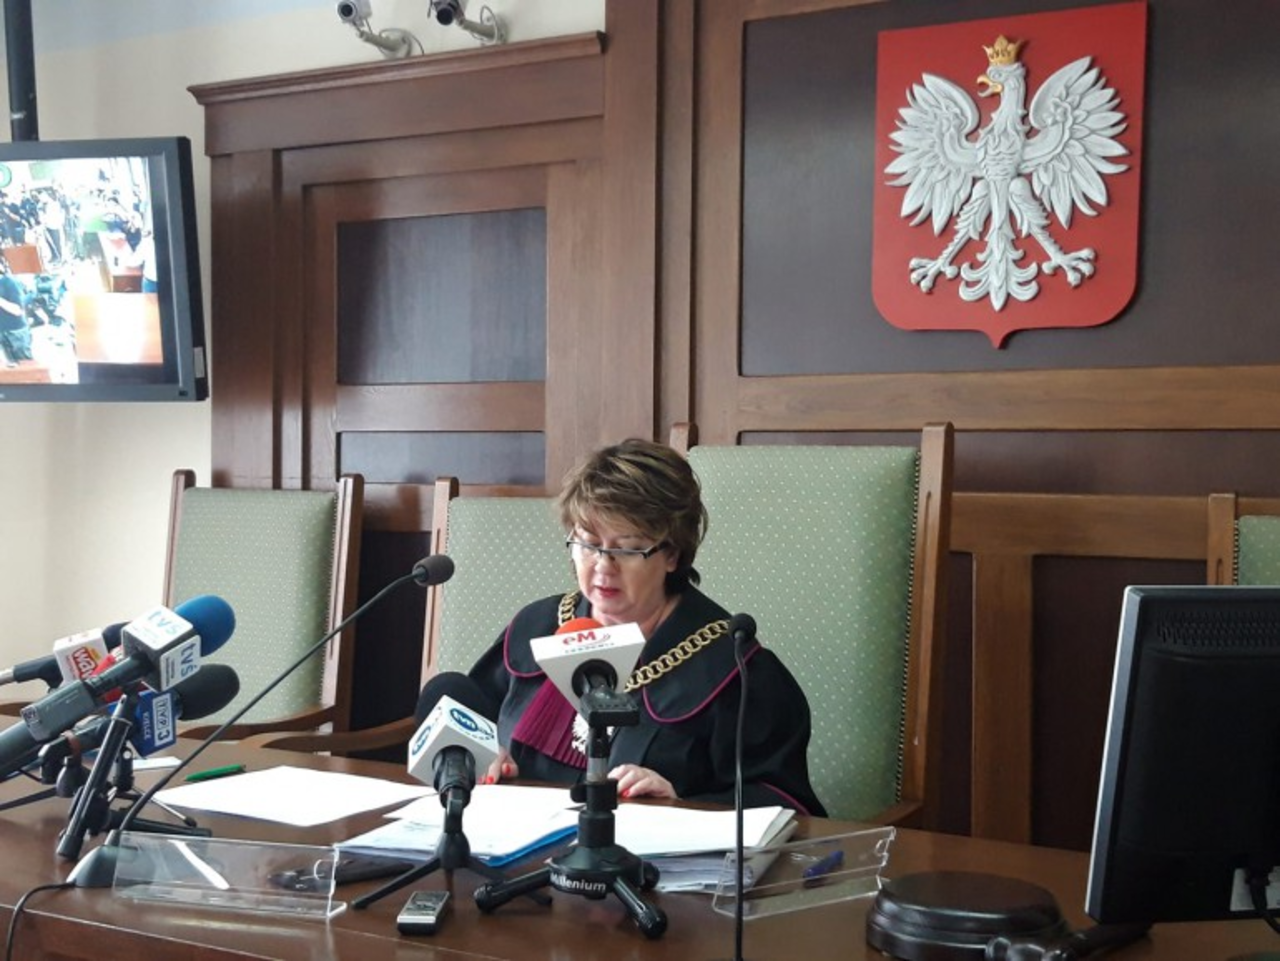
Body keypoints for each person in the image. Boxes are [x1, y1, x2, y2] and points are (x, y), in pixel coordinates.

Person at [464, 438, 827, 816]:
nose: (603, 566)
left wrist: (680, 805)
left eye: (626, 549)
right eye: (588, 544)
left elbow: (787, 807)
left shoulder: (732, 667)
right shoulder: (536, 626)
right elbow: (466, 716)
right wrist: (482, 754)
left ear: (672, 554)